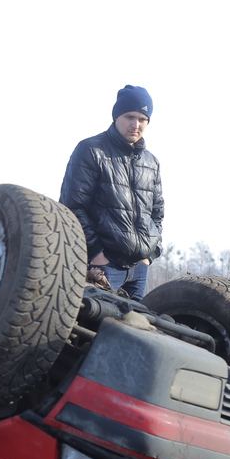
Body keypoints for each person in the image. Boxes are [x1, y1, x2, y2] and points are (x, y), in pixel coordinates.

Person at [59, 85, 164, 301]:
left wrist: (150, 255)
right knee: (91, 330)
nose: (135, 124)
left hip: (139, 270)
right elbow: (72, 206)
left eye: (142, 119)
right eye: (129, 116)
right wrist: (96, 254)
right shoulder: (91, 150)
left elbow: (157, 213)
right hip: (104, 266)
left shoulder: (151, 162)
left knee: (131, 332)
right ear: (116, 116)